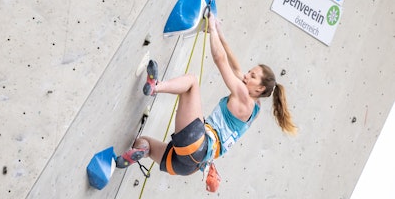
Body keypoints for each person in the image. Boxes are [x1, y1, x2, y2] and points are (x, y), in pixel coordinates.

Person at [116, 14, 297, 175]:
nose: (246, 75)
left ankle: (155, 86)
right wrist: (219, 34)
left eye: (253, 76)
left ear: (259, 89)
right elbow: (236, 68)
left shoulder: (243, 94)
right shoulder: (254, 108)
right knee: (144, 141)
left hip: (198, 142)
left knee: (192, 82)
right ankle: (141, 151)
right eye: (250, 72)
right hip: (190, 165)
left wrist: (211, 26)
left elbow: (221, 59)